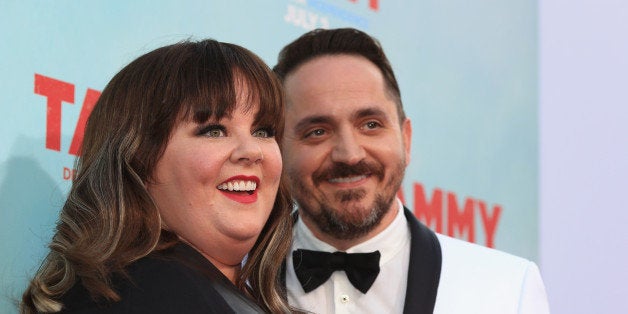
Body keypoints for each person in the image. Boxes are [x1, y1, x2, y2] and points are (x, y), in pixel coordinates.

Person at [274, 28, 550, 313]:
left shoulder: (506, 288)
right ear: (277, 149)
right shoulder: (235, 286)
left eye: (371, 125)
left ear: (406, 138)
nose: (350, 154)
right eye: (317, 131)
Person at [21, 39, 294, 313]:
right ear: (138, 160)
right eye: (213, 130)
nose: (252, 150)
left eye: (263, 131)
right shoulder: (145, 292)